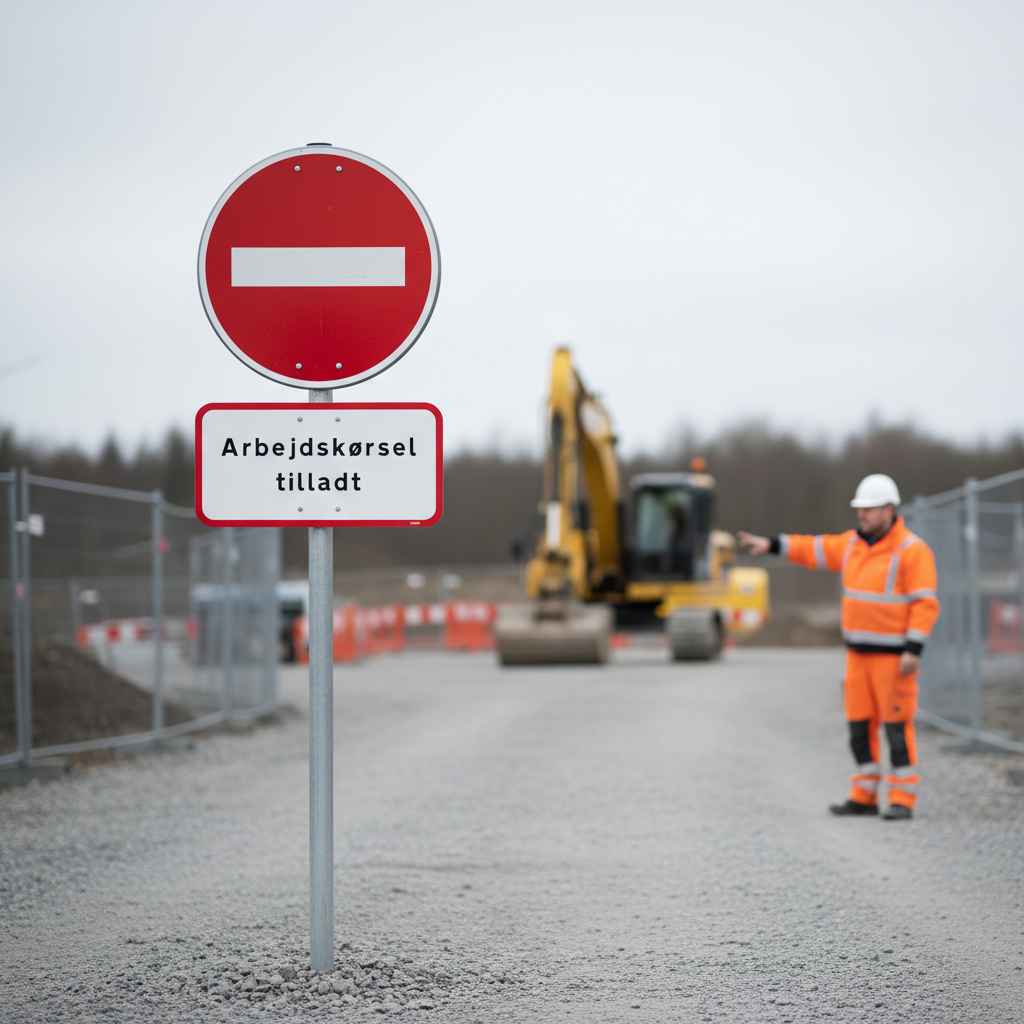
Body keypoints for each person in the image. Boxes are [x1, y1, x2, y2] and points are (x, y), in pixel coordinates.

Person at [738, 474, 939, 820]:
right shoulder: (851, 546)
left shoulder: (912, 551)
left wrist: (913, 649)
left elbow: (925, 604)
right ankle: (863, 794)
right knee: (858, 727)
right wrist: (771, 544)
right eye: (859, 509)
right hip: (858, 656)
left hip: (893, 658)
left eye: (869, 510)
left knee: (895, 727)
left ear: (889, 510)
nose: (861, 516)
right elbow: (811, 548)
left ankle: (902, 798)